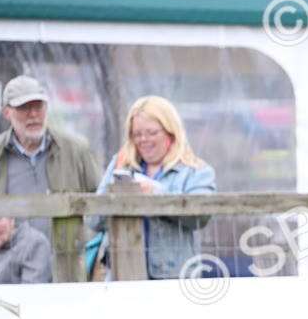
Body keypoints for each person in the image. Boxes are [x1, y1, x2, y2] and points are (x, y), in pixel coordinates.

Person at [86, 96, 216, 279]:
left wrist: (155, 194)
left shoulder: (196, 172)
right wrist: (116, 194)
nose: (144, 140)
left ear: (171, 132)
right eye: (137, 134)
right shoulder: (120, 165)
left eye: (152, 133)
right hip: (122, 278)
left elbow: (200, 216)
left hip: (174, 280)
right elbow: (93, 220)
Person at [0, 75, 102, 237]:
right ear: (6, 112)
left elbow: (100, 208)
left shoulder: (78, 150)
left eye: (38, 106)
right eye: (24, 108)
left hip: (67, 258)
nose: (33, 114)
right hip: (7, 259)